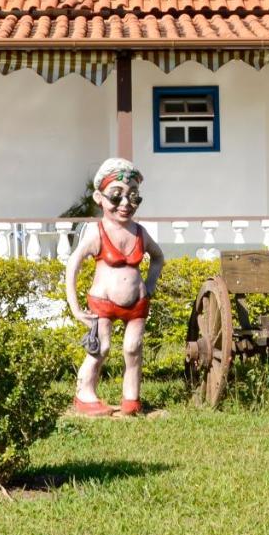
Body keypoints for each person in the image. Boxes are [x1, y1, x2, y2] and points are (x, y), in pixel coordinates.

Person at [64, 158, 165, 416]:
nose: (125, 205)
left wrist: (150, 285)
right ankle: (84, 395)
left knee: (133, 349)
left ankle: (131, 398)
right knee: (101, 348)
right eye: (116, 197)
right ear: (99, 197)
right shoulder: (97, 232)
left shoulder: (139, 232)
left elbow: (158, 257)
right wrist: (75, 308)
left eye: (133, 197)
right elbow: (73, 265)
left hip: (137, 304)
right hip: (103, 303)